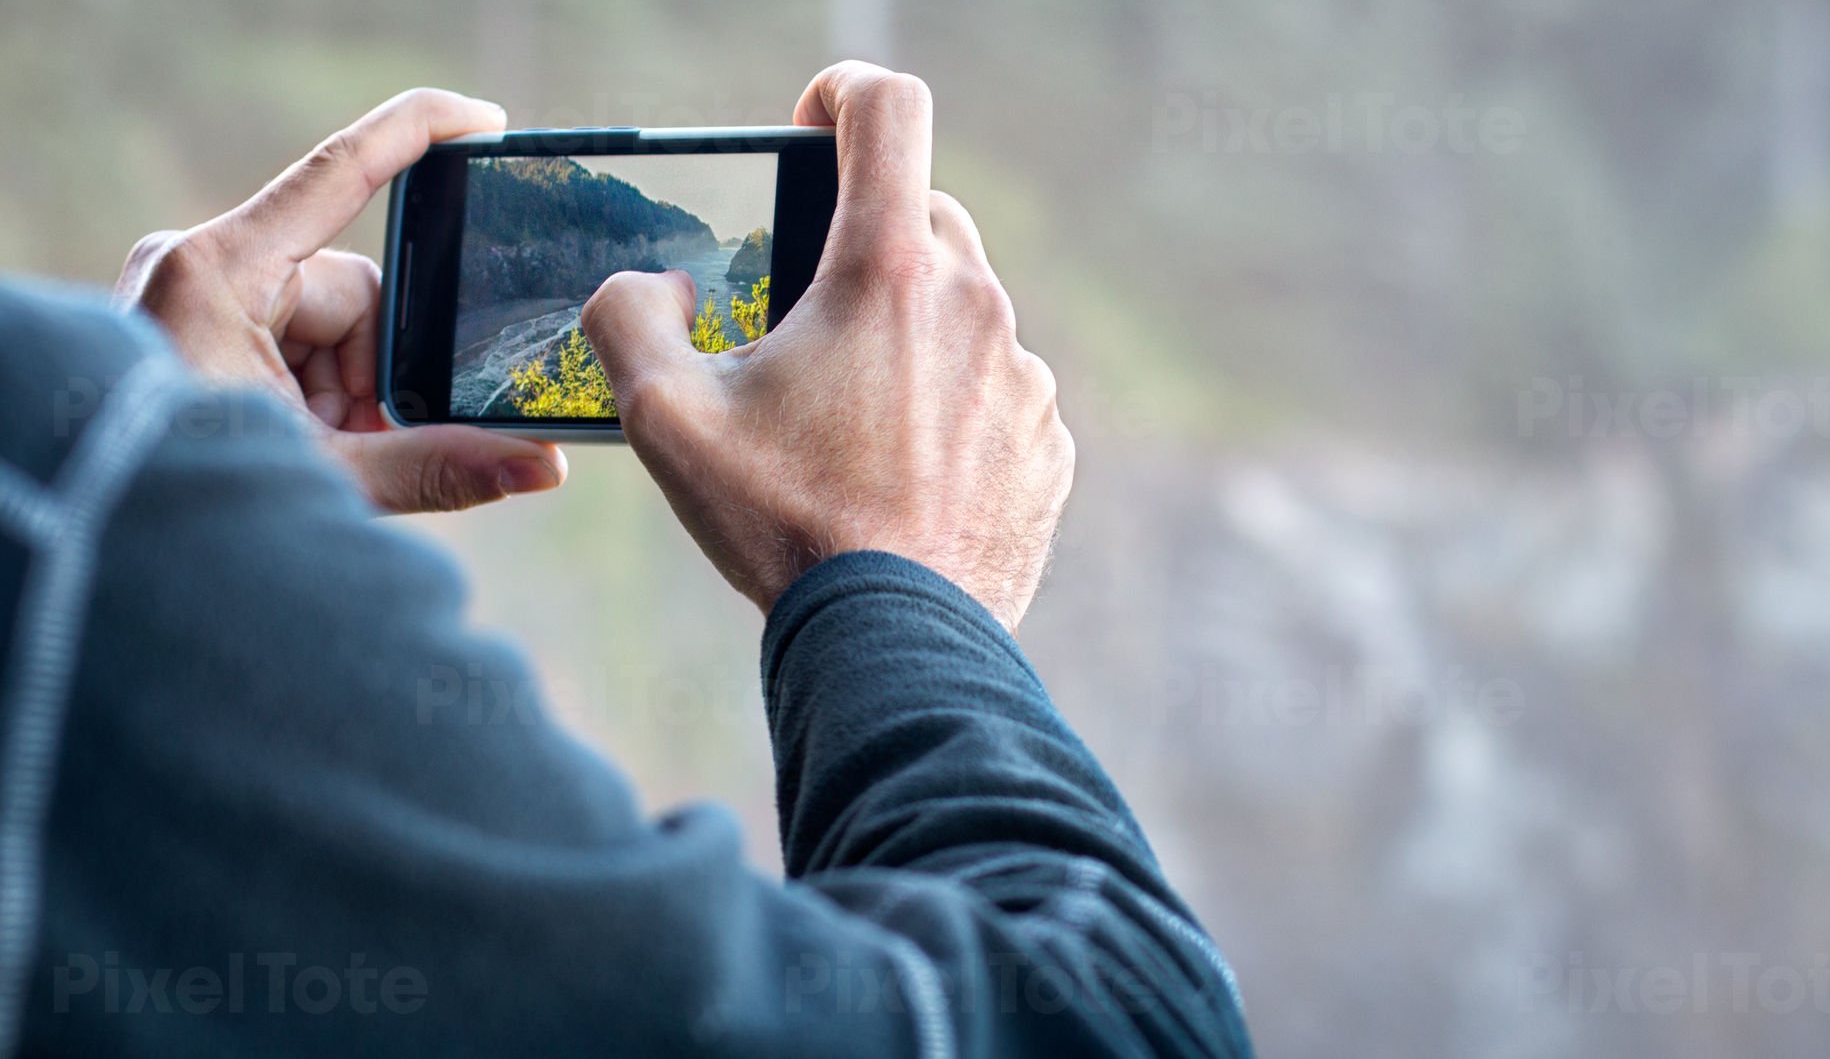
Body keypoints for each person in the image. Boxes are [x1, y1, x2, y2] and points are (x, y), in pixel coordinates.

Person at [0, 63, 1251, 1057]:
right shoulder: (71, 494)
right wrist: (896, 573)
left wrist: (174, 498)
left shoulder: (75, 496)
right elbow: (1105, 1021)